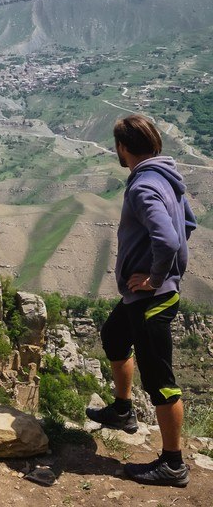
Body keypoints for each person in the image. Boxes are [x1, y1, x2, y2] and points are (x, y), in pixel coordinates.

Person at [86, 114, 196, 487]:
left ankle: (173, 464)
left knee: (160, 380)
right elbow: (189, 225)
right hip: (143, 295)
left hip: (153, 298)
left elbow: (168, 238)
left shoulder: (142, 187)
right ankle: (122, 410)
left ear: (122, 147)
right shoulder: (167, 175)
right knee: (114, 336)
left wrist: (155, 275)